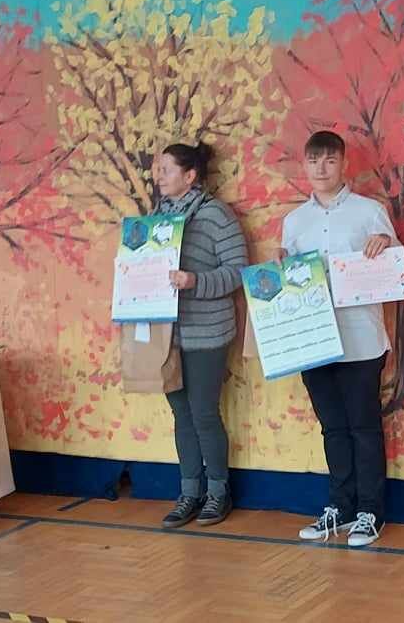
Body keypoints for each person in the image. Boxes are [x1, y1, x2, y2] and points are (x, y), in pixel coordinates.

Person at [283, 131, 399, 548]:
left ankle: (370, 512)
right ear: (305, 165)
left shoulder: (370, 212)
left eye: (330, 160)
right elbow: (290, 278)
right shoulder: (294, 222)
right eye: (314, 161)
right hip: (313, 340)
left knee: (364, 427)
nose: (321, 168)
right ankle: (341, 506)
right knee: (332, 428)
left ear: (344, 164)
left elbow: (394, 265)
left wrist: (385, 244)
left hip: (361, 339)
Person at [153, 143, 249, 529]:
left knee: (204, 413)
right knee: (181, 413)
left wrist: (194, 281)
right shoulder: (156, 219)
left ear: (190, 176)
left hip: (208, 332)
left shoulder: (216, 215)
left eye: (166, 170)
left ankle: (218, 492)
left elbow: (237, 271)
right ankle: (189, 492)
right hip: (167, 333)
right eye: (158, 169)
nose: (158, 176)